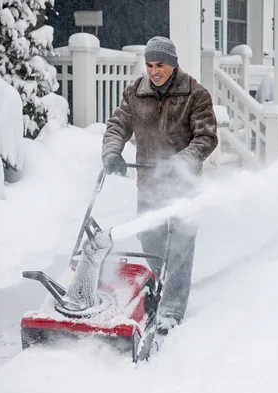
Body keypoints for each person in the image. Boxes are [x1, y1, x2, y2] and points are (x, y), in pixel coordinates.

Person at [101, 36, 218, 333]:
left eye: (160, 65)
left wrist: (182, 161)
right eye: (150, 65)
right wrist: (112, 152)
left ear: (173, 63)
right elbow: (117, 125)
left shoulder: (195, 94)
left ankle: (171, 310)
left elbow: (206, 137)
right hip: (149, 183)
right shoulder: (135, 93)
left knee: (180, 248)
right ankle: (159, 288)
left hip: (184, 187)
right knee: (150, 243)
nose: (154, 71)